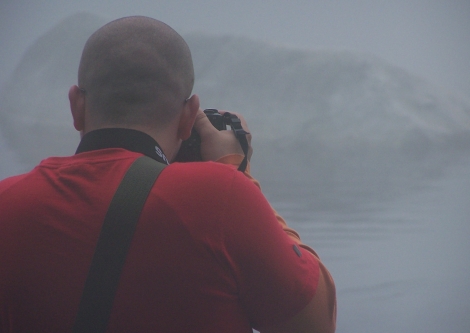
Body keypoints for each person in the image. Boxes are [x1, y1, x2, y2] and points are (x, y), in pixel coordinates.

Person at [0, 16, 336, 332]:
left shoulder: (8, 203)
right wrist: (237, 169)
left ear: (76, 106)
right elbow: (315, 322)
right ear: (190, 116)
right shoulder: (221, 198)